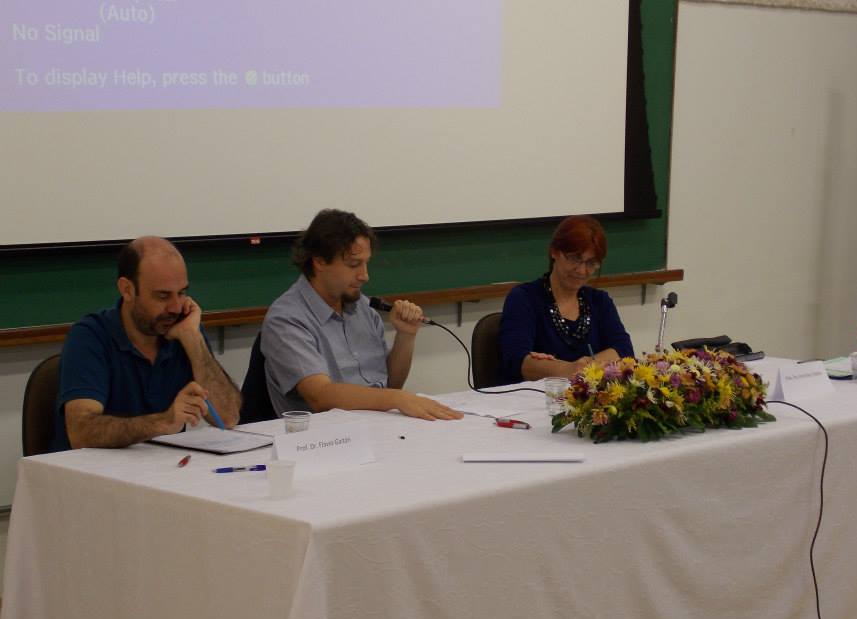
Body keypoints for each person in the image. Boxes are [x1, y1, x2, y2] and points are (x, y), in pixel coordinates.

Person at [261, 209, 462, 421]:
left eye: (367, 263)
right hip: (324, 440)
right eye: (353, 265)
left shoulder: (363, 308)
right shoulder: (287, 318)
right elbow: (319, 396)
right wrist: (396, 398)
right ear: (319, 261)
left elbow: (390, 385)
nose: (365, 276)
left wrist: (406, 336)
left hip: (375, 427)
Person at [54, 237, 241, 451]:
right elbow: (82, 433)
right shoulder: (90, 336)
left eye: (181, 293)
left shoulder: (184, 330)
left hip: (159, 470)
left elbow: (228, 418)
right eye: (163, 296)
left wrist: (193, 339)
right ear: (127, 290)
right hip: (90, 475)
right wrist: (164, 422)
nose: (176, 308)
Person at [499, 215, 634, 384]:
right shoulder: (524, 298)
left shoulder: (599, 301)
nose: (582, 270)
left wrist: (580, 366)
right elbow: (517, 362)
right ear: (554, 251)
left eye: (591, 263)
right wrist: (569, 369)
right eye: (575, 258)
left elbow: (624, 351)